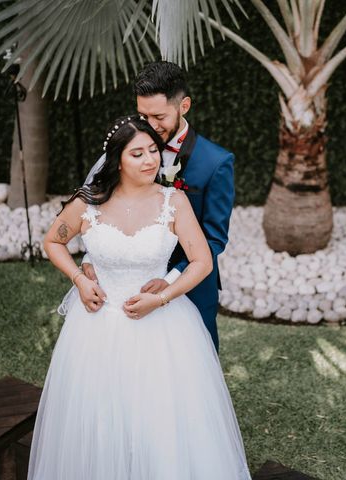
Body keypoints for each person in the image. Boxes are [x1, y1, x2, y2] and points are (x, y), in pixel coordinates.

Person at [29, 115, 251, 480]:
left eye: (153, 151)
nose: (150, 160)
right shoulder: (87, 204)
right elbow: (53, 241)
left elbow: (202, 261)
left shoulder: (173, 201)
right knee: (100, 416)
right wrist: (79, 280)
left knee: (161, 418)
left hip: (163, 328)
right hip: (97, 328)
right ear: (117, 160)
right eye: (138, 154)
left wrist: (162, 296)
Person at [81, 61, 234, 352]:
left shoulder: (216, 163)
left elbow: (214, 239)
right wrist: (91, 257)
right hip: (125, 280)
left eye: (159, 116)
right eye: (143, 115)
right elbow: (101, 208)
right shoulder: (126, 147)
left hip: (189, 282)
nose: (149, 126)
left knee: (191, 363)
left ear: (184, 106)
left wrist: (171, 279)